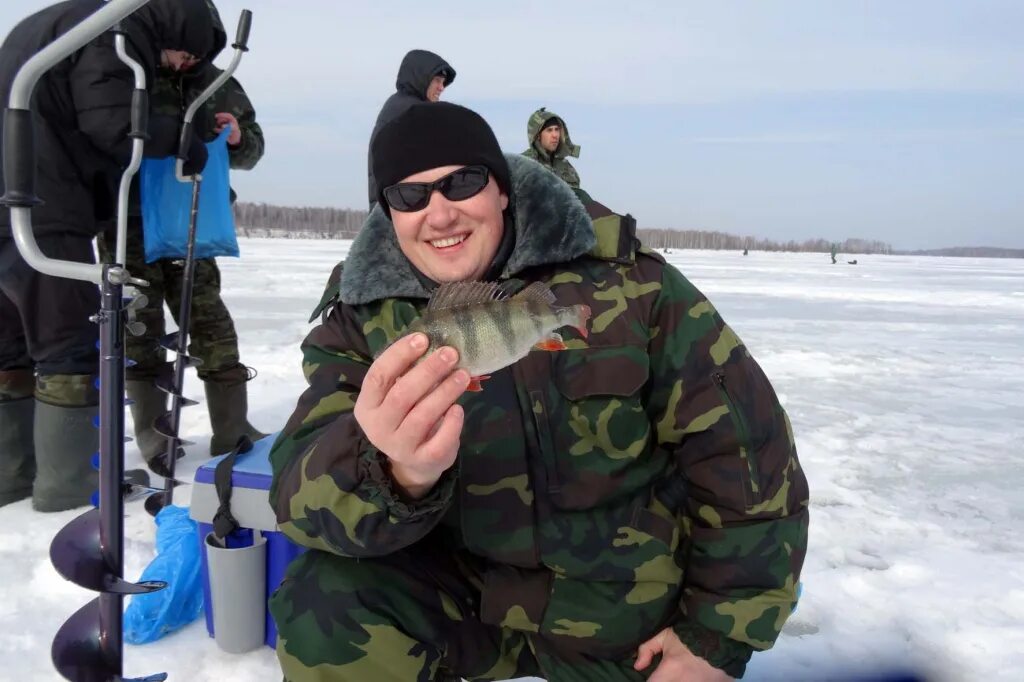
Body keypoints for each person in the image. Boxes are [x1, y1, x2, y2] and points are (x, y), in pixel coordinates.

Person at [268, 102, 809, 681]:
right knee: (324, 601)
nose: (440, 213)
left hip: (623, 613)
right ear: (390, 214)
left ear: (501, 189)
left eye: (463, 182)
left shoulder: (632, 287)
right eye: (409, 196)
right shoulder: (359, 323)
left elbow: (747, 454)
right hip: (461, 597)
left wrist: (715, 638)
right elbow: (297, 499)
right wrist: (392, 471)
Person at [0, 0, 215, 511]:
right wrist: (183, 136)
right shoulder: (116, 25)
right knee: (68, 345)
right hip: (42, 204)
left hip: (12, 199)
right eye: (189, 54)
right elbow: (113, 124)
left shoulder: (58, 20)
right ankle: (70, 488)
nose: (181, 67)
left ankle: (12, 475)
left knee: (9, 345)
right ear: (180, 23)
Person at [95, 0, 266, 475]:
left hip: (194, 222)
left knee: (211, 323)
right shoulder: (122, 71)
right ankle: (153, 434)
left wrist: (237, 140)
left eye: (196, 52)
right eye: (180, 50)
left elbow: (253, 147)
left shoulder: (217, 82)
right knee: (139, 327)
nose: (187, 60)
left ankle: (233, 427)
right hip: (127, 225)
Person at [366, 49, 455, 208]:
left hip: (395, 203)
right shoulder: (410, 111)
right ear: (420, 79)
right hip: (401, 205)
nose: (441, 88)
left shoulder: (401, 105)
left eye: (443, 82)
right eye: (437, 80)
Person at [523, 107, 583, 191]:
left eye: (557, 129)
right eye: (549, 130)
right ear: (538, 135)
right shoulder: (524, 164)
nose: (555, 135)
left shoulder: (566, 167)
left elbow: (576, 199)